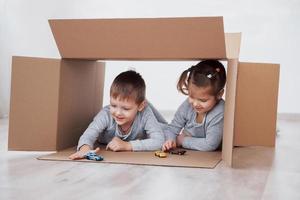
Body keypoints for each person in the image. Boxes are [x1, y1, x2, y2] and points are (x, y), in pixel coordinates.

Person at [69, 70, 167, 160]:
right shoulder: (106, 114)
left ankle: (145, 105)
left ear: (140, 106)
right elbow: (89, 134)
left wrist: (127, 145)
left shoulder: (144, 113)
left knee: (165, 130)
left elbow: (158, 141)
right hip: (133, 123)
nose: (118, 112)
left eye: (126, 108)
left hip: (145, 118)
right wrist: (84, 149)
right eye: (113, 105)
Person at [162, 60, 226, 151]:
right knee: (160, 129)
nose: (195, 104)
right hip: (189, 142)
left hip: (194, 144)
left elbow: (210, 144)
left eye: (203, 100)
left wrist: (182, 140)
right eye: (191, 96)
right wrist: (170, 139)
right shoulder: (188, 105)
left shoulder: (219, 111)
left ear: (219, 95)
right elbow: (172, 128)